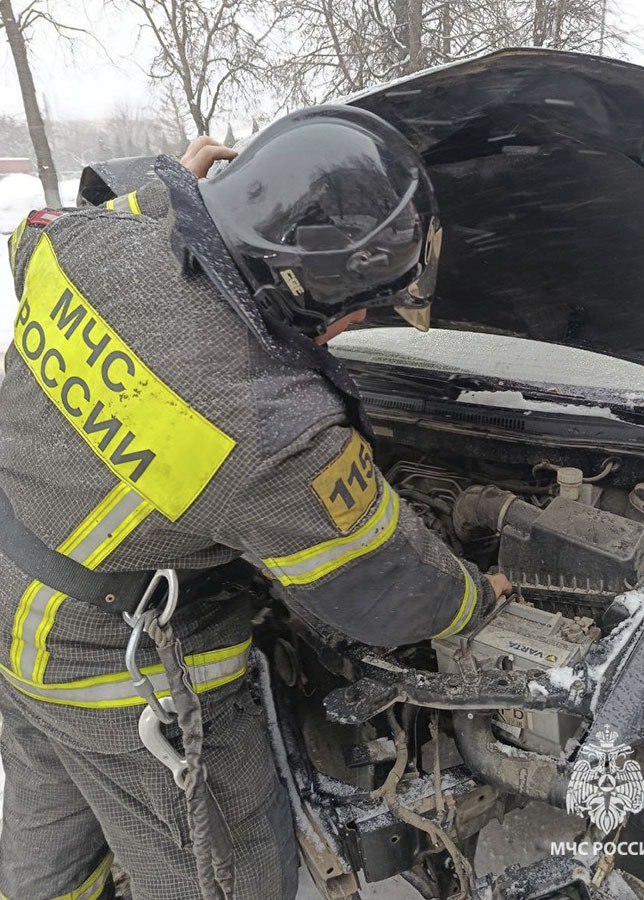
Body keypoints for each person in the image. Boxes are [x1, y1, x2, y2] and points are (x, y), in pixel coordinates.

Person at [0, 107, 511, 900]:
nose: (356, 325)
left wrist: (176, 197)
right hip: (112, 668)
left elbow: (46, 230)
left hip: (15, 586)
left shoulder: (83, 243)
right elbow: (381, 584)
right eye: (361, 307)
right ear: (313, 297)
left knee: (50, 840)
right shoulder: (267, 424)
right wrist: (474, 600)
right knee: (228, 876)